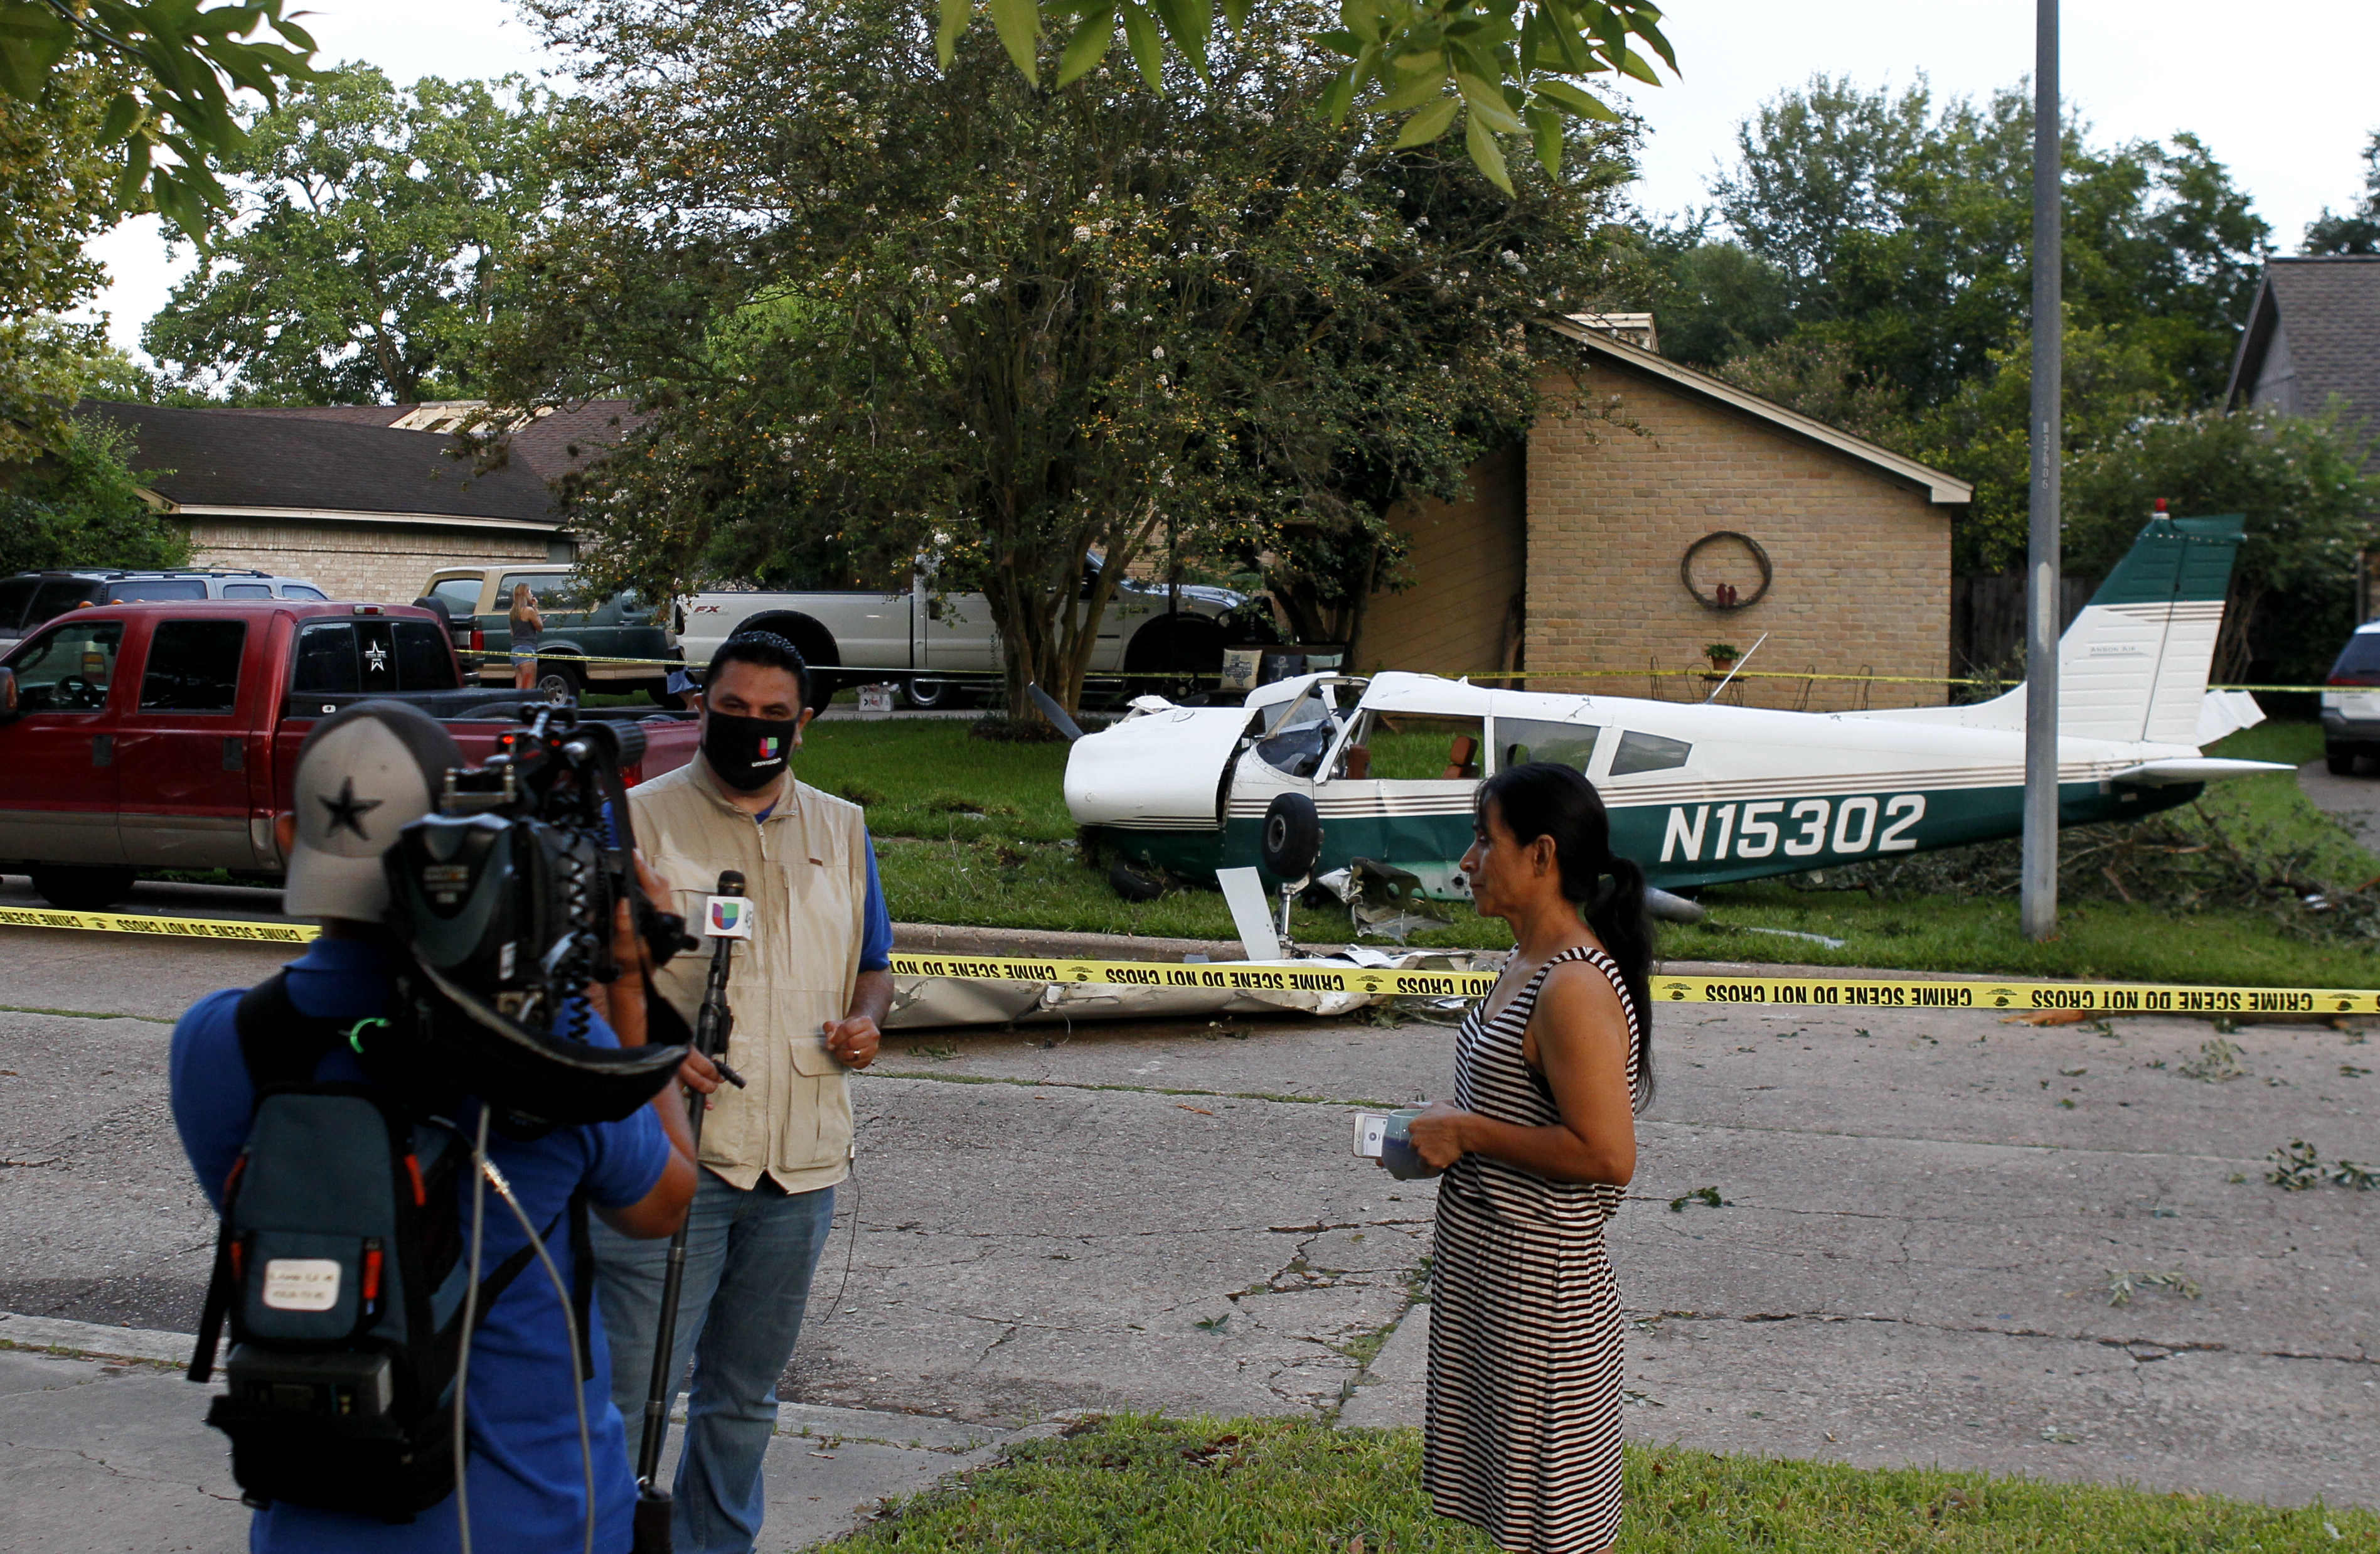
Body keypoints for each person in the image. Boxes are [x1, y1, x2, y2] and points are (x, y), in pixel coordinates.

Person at [168, 700, 709, 1553]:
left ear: (283, 837)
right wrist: (629, 984)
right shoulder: (553, 1052)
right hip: (540, 1515)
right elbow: (663, 1203)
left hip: (316, 1513)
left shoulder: (220, 1044)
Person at [592, 630, 893, 1554]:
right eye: (732, 711)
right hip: (674, 1154)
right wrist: (646, 1052)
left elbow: (873, 963)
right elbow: (589, 978)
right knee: (631, 1389)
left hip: (799, 1160)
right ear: (701, 707)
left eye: (772, 716)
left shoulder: (841, 829)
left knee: (745, 1397)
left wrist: (867, 1020)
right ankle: (602, 1537)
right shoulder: (636, 821)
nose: (750, 729)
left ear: (801, 726)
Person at [1405, 762, 1654, 1554]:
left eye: (1485, 838)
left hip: (1543, 1300)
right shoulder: (1522, 966)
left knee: (1560, 1533)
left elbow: (1608, 1155)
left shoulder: (1572, 986)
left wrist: (1469, 1132)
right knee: (1516, 1523)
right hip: (1496, 1283)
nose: (1466, 859)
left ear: (1541, 855)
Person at [511, 581, 545, 692]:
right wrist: (536, 609)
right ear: (525, 594)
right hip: (527, 651)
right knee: (529, 688)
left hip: (515, 651)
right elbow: (540, 627)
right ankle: (526, 709)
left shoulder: (513, 612)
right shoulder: (529, 610)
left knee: (520, 688)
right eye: (530, 591)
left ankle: (517, 709)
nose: (532, 594)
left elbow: (512, 632)